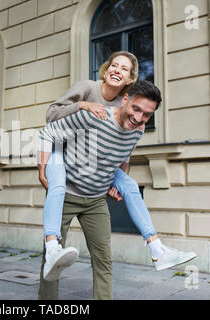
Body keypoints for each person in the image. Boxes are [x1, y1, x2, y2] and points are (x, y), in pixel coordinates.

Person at [37, 80, 196, 299]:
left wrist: (115, 181)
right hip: (67, 193)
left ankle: (156, 249)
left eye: (147, 115)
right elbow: (48, 133)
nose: (139, 118)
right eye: (136, 109)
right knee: (52, 262)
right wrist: (42, 168)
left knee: (104, 261)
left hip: (95, 199)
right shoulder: (94, 116)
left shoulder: (137, 131)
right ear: (125, 100)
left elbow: (123, 156)